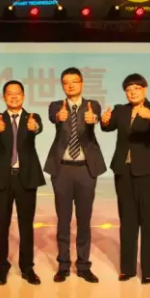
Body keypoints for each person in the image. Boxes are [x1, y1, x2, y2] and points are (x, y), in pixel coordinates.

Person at [100, 73, 150, 285]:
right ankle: (127, 269)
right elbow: (107, 126)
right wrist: (104, 120)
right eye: (128, 90)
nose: (132, 93)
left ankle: (149, 271)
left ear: (145, 89)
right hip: (124, 172)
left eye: (136, 88)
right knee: (127, 221)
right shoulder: (121, 110)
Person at [44, 67, 107, 283]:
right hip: (62, 169)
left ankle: (83, 266)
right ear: (63, 86)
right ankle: (63, 265)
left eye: (74, 81)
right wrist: (58, 117)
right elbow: (53, 116)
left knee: (84, 219)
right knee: (63, 220)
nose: (70, 85)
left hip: (85, 169)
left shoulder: (92, 105)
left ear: (82, 83)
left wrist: (93, 119)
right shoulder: (56, 106)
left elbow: (95, 116)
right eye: (66, 82)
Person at [0, 80, 46, 286]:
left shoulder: (32, 117)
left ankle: (27, 268)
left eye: (17, 93)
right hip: (2, 178)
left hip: (26, 178)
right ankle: (2, 267)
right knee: (1, 225)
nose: (14, 96)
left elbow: (37, 127)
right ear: (4, 97)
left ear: (23, 96)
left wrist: (34, 127)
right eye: (9, 93)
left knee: (26, 225)